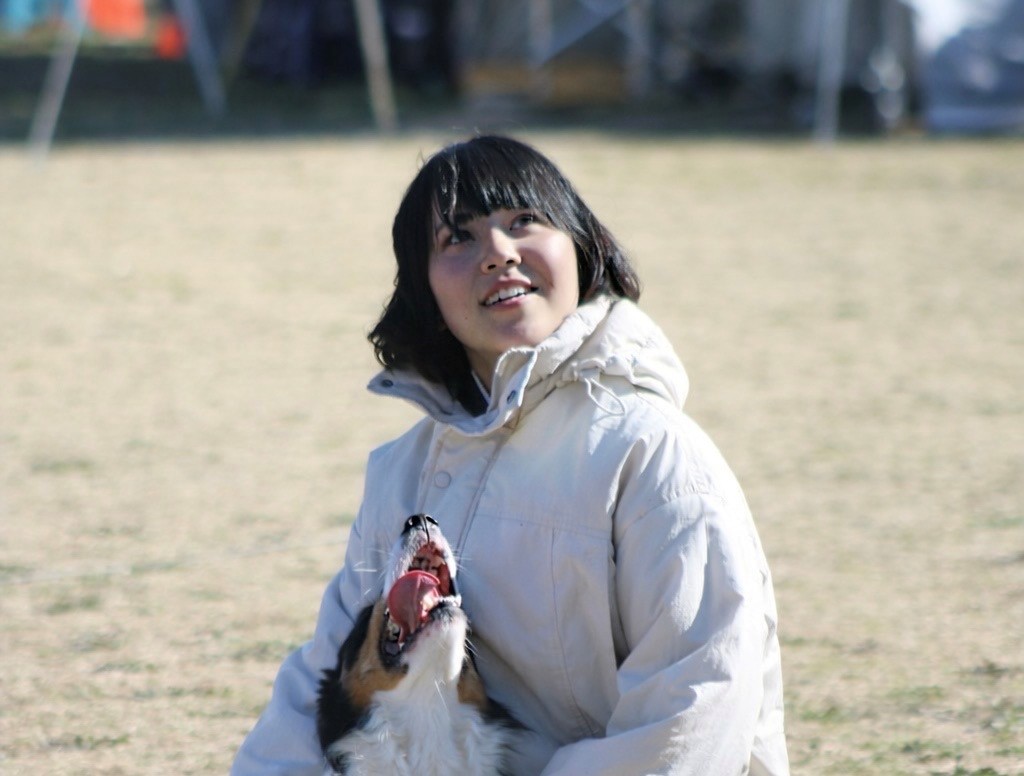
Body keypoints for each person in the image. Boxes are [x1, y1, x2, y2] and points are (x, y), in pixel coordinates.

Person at [231, 135, 790, 775]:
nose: (498, 252)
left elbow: (694, 712)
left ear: (581, 246)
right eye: (458, 238)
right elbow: (322, 688)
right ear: (425, 294)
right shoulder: (401, 474)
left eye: (523, 220)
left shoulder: (657, 455)